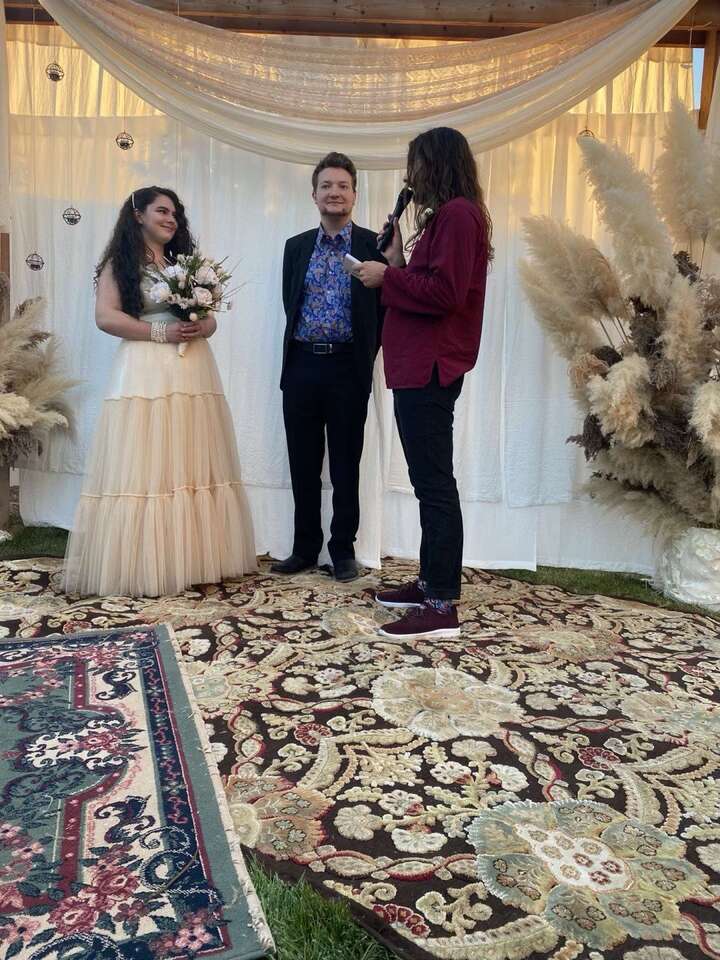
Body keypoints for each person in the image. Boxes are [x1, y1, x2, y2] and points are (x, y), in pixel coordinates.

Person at [63, 186, 257, 598]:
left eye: (175, 214)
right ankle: (146, 565)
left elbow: (211, 319)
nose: (171, 219)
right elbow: (105, 317)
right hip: (145, 370)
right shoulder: (121, 263)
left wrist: (202, 325)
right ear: (138, 215)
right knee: (149, 462)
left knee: (191, 459)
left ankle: (197, 559)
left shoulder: (184, 263)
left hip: (194, 371)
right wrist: (159, 332)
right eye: (162, 211)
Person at [356, 127, 493, 639]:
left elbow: (446, 294)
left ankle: (440, 606)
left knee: (435, 484)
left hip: (431, 366)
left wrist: (385, 277)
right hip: (420, 364)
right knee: (427, 481)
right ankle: (429, 582)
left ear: (435, 163)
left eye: (415, 164)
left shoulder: (458, 214)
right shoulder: (450, 216)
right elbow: (431, 283)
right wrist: (397, 260)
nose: (409, 175)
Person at [272, 152, 385, 582]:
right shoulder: (296, 246)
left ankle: (342, 551)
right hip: (301, 363)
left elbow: (384, 310)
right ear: (314, 194)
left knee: (345, 463)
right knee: (302, 461)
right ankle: (304, 548)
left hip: (347, 367)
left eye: (342, 186)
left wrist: (364, 355)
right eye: (326, 186)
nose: (334, 193)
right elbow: (291, 303)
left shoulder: (374, 245)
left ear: (355, 194)